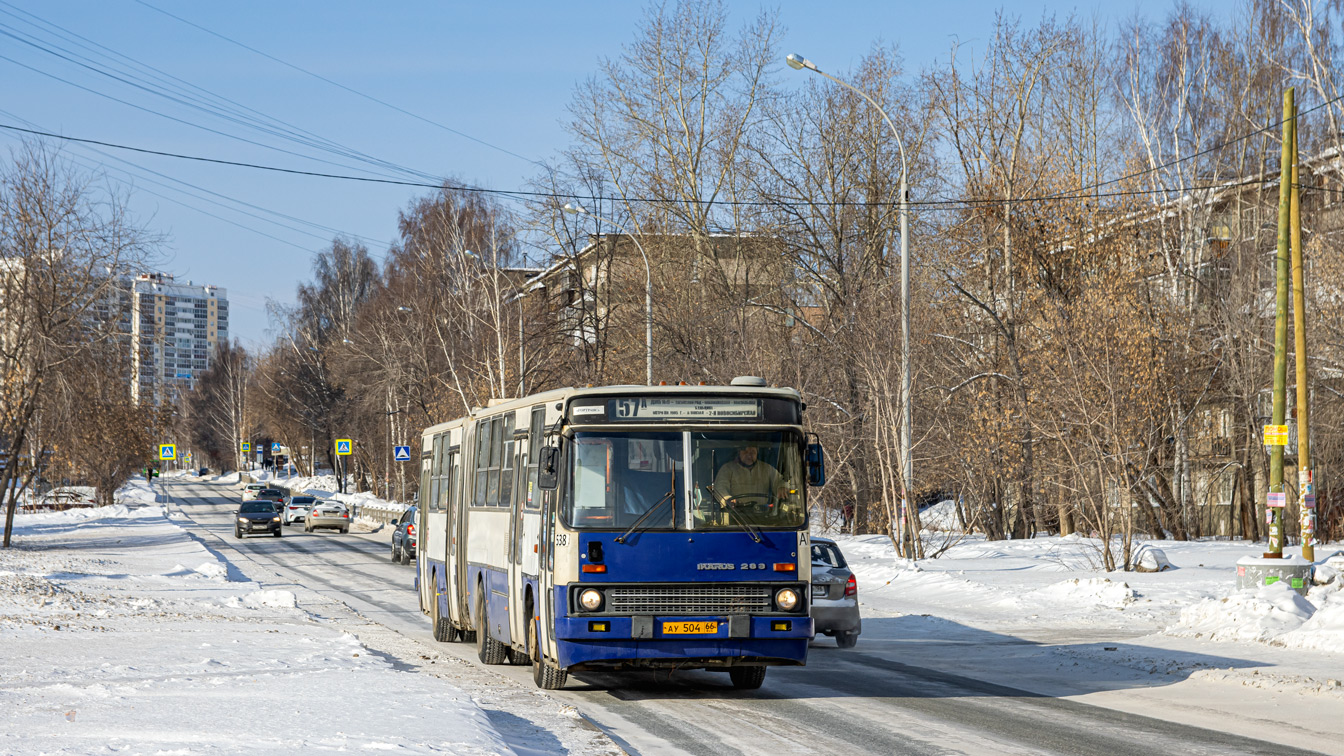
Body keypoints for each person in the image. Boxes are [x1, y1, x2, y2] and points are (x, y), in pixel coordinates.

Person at [712, 444, 790, 515]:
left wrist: (781, 487)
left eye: (753, 452)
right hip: (736, 515)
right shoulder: (727, 468)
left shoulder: (766, 468)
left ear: (757, 453)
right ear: (739, 452)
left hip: (763, 515)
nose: (749, 455)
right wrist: (727, 499)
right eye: (745, 451)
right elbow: (720, 488)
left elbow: (780, 481)